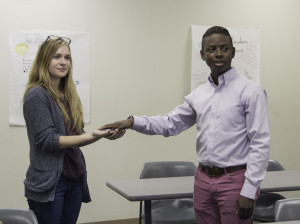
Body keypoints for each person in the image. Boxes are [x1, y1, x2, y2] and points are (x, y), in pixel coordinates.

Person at [101, 26, 270, 224]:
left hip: (235, 181)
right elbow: (170, 124)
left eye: (224, 48)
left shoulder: (251, 91)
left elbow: (260, 143)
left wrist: (249, 190)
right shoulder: (198, 95)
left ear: (233, 52)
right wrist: (132, 122)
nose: (218, 54)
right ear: (202, 55)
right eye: (211, 49)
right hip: (203, 180)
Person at [23, 35, 124, 224]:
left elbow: (76, 135)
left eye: (67, 57)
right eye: (57, 57)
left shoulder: (69, 94)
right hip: (49, 183)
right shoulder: (36, 94)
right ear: (44, 60)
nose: (63, 62)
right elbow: (48, 141)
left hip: (74, 178)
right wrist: (93, 136)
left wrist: (102, 134)